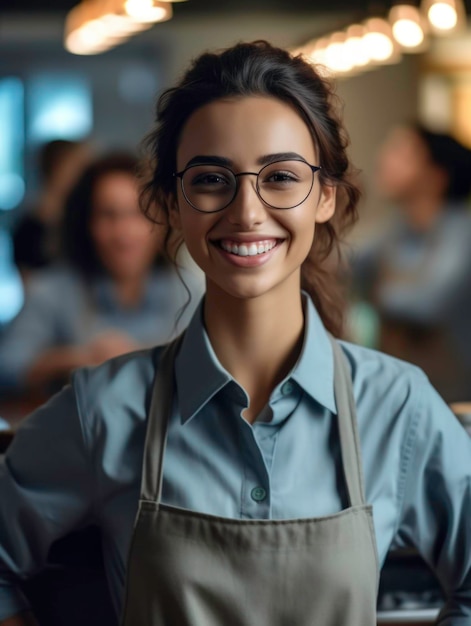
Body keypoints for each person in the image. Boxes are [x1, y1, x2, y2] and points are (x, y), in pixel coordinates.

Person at [0, 41, 470, 626]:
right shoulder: (106, 409)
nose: (247, 212)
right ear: (171, 204)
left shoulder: (397, 405)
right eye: (211, 179)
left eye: (280, 177)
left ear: (324, 196)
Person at [0, 152, 203, 395]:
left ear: (162, 222)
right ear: (87, 224)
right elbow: (8, 366)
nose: (123, 234)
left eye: (138, 214)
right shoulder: (52, 290)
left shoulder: (187, 289)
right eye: (108, 215)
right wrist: (76, 359)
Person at [350, 123, 471, 402]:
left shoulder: (461, 232)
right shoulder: (395, 231)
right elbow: (340, 263)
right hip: (410, 395)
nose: (385, 158)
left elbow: (426, 304)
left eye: (402, 152)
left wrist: (376, 288)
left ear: (436, 175)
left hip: (457, 400)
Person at [12, 139, 92, 283]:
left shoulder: (81, 219)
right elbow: (30, 286)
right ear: (58, 168)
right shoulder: (29, 229)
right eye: (79, 168)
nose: (87, 178)